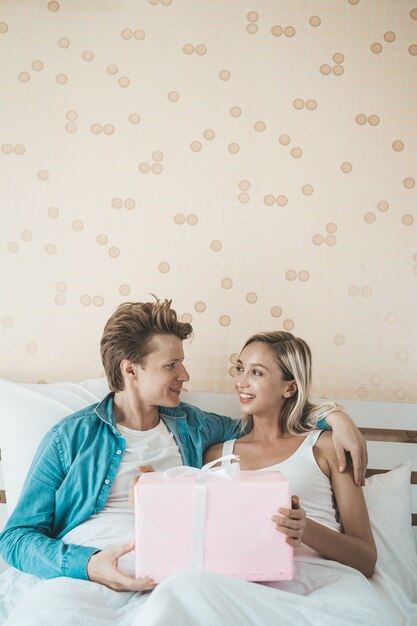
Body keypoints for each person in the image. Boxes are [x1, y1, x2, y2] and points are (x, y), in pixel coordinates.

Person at [0, 300, 366, 599]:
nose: (185, 375)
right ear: (131, 370)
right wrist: (89, 564)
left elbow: (270, 422)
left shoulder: (196, 428)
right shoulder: (71, 438)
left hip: (178, 575)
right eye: (172, 365)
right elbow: (16, 538)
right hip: (90, 574)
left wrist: (334, 416)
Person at [132, 331, 390, 626]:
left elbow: (366, 559)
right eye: (240, 368)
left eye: (257, 372)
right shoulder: (217, 455)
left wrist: (305, 529)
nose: (241, 381)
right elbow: (198, 537)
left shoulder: (326, 447)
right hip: (244, 582)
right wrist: (157, 496)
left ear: (290, 387)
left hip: (321, 582)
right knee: (175, 597)